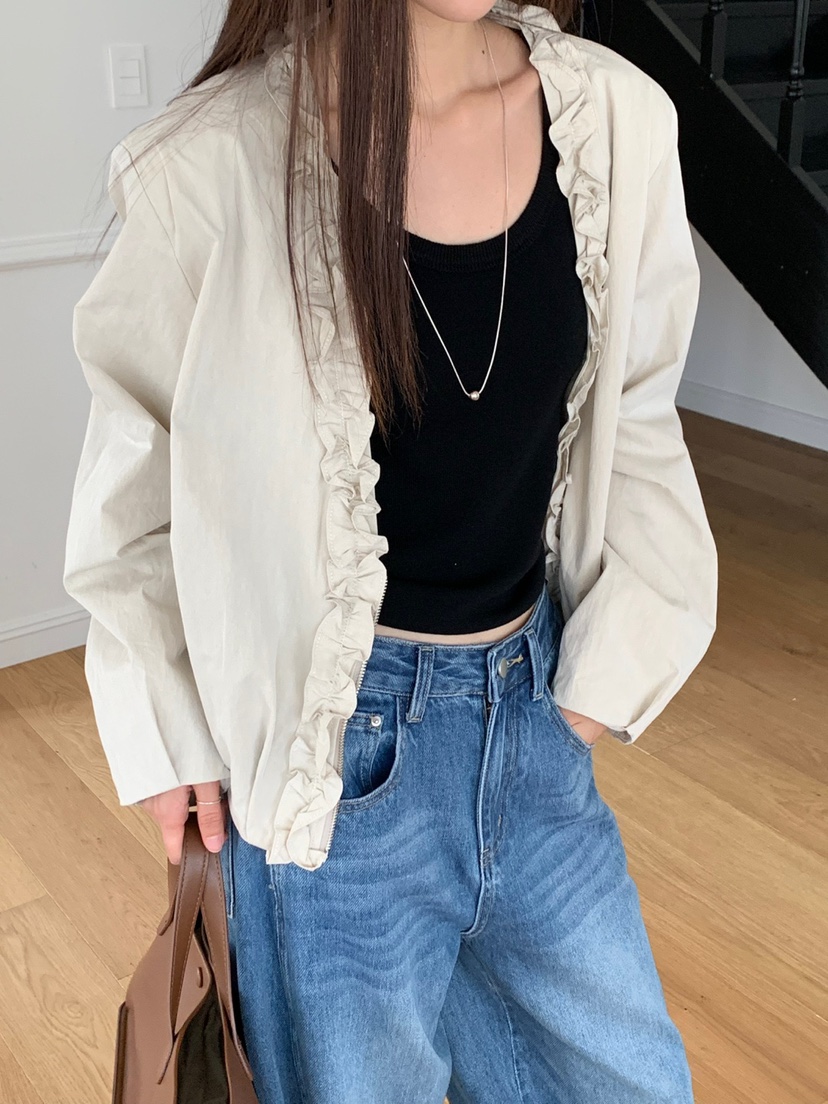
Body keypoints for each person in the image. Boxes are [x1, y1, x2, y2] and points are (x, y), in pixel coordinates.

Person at [63, 0, 718, 1100]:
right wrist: (161, 723)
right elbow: (132, 488)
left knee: (629, 1078)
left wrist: (602, 679)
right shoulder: (210, 163)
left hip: (535, 714)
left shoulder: (615, 121)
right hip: (328, 761)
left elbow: (640, 406)